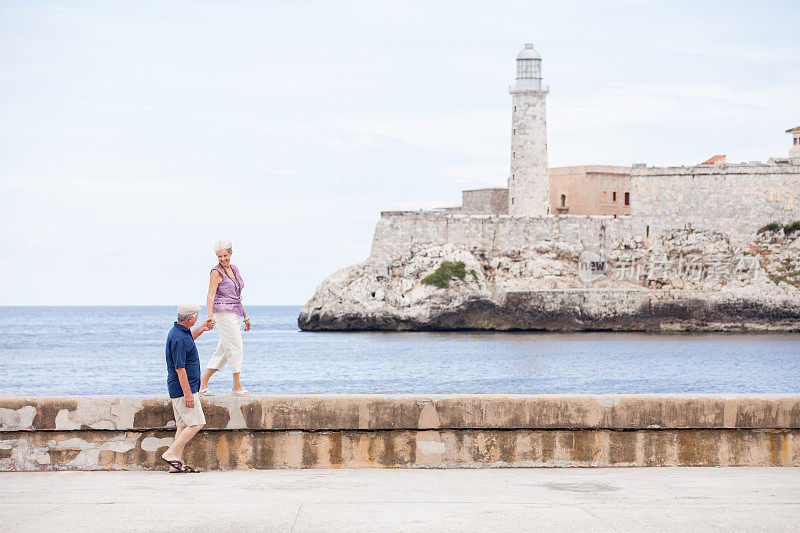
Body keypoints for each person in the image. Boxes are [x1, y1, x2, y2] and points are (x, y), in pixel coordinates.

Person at [161, 302, 214, 473]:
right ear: (191, 318)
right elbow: (179, 368)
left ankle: (176, 465)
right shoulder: (177, 337)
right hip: (184, 389)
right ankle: (170, 453)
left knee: (183, 425)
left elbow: (188, 341)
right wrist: (188, 394)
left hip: (183, 388)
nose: (198, 318)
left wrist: (201, 329)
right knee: (197, 423)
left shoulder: (181, 333)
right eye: (196, 316)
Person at [199, 239, 251, 396]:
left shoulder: (234, 269)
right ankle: (236, 386)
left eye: (225, 256)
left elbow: (237, 296)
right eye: (219, 256)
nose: (222, 259)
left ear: (231, 253)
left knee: (223, 350)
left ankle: (201, 383)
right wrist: (209, 316)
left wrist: (245, 317)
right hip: (222, 314)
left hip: (235, 313)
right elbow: (210, 295)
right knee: (236, 346)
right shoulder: (216, 272)